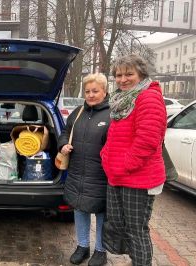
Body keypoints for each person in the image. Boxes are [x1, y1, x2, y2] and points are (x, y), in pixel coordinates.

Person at [100, 54, 167, 266]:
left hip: (139, 178)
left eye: (129, 74)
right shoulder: (122, 100)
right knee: (120, 226)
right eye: (118, 75)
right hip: (119, 175)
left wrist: (123, 165)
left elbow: (147, 140)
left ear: (141, 74)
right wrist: (106, 158)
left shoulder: (148, 97)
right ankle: (135, 261)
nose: (123, 79)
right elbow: (115, 136)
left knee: (137, 230)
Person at [58, 73, 110, 266]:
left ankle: (101, 250)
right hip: (77, 171)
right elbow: (65, 132)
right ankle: (82, 246)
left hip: (101, 175)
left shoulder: (112, 114)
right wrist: (63, 145)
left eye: (95, 91)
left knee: (101, 213)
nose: (90, 95)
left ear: (104, 91)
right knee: (80, 209)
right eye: (87, 91)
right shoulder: (78, 112)